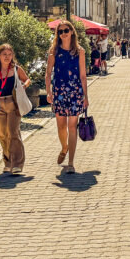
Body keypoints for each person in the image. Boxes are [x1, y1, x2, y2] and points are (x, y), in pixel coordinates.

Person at [47, 20, 89, 174]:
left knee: (72, 126)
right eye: (60, 31)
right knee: (61, 126)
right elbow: (48, 73)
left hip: (75, 92)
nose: (63, 34)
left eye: (66, 30)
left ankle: (71, 162)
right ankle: (64, 147)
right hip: (59, 92)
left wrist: (85, 96)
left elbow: (83, 75)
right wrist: (48, 92)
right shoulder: (54, 51)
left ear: (72, 32)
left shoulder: (80, 51)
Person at [0, 44, 30, 174]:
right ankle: (8, 162)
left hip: (13, 102)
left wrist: (23, 86)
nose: (7, 57)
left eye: (9, 55)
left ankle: (17, 164)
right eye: (4, 54)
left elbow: (27, 79)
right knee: (2, 134)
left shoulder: (16, 69)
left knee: (13, 133)